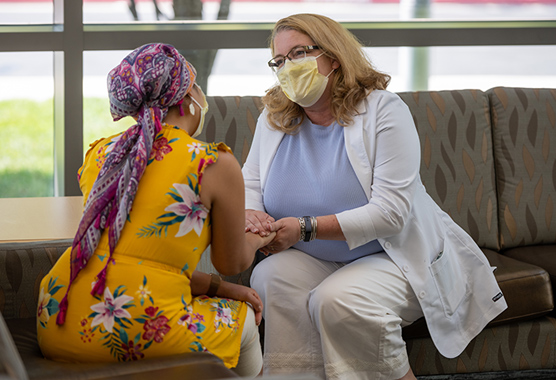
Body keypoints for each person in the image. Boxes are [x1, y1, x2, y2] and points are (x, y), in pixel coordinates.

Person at [242, 13, 507, 380]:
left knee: (337, 300)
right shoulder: (274, 118)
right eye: (279, 61)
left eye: (300, 53)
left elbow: (391, 213)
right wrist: (251, 214)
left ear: (333, 57)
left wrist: (306, 228)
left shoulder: (383, 110)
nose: (289, 67)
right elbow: (250, 185)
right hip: (315, 259)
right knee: (270, 275)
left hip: (392, 256)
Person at [36, 43, 272, 377]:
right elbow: (231, 262)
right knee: (243, 324)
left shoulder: (101, 155)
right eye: (196, 87)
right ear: (187, 99)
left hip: (57, 317)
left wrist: (221, 288)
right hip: (137, 326)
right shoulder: (214, 163)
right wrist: (262, 235)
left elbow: (134, 260)